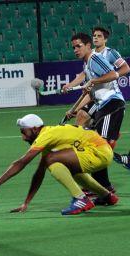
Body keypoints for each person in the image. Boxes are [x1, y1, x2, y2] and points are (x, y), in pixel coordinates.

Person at [0, 114, 118, 215]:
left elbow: (22, 162)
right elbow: (39, 173)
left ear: (35, 129)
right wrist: (26, 202)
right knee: (61, 165)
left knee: (51, 160)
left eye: (24, 132)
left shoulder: (46, 135)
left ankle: (80, 199)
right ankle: (106, 196)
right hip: (101, 152)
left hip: (98, 152)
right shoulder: (48, 137)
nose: (23, 137)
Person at [61, 32, 126, 194]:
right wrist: (73, 110)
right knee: (96, 145)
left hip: (112, 104)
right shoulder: (87, 65)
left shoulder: (95, 59)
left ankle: (104, 185)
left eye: (79, 46)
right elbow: (91, 94)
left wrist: (94, 81)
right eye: (74, 47)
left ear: (88, 46)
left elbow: (112, 74)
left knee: (99, 146)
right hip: (103, 106)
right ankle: (103, 186)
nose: (76, 50)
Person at [62, 27, 130, 127]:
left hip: (106, 95)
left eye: (99, 36)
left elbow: (126, 68)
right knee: (81, 117)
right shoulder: (89, 55)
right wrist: (70, 85)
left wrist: (113, 75)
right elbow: (84, 73)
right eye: (94, 36)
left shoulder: (110, 53)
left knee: (84, 117)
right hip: (94, 94)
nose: (96, 38)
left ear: (105, 39)